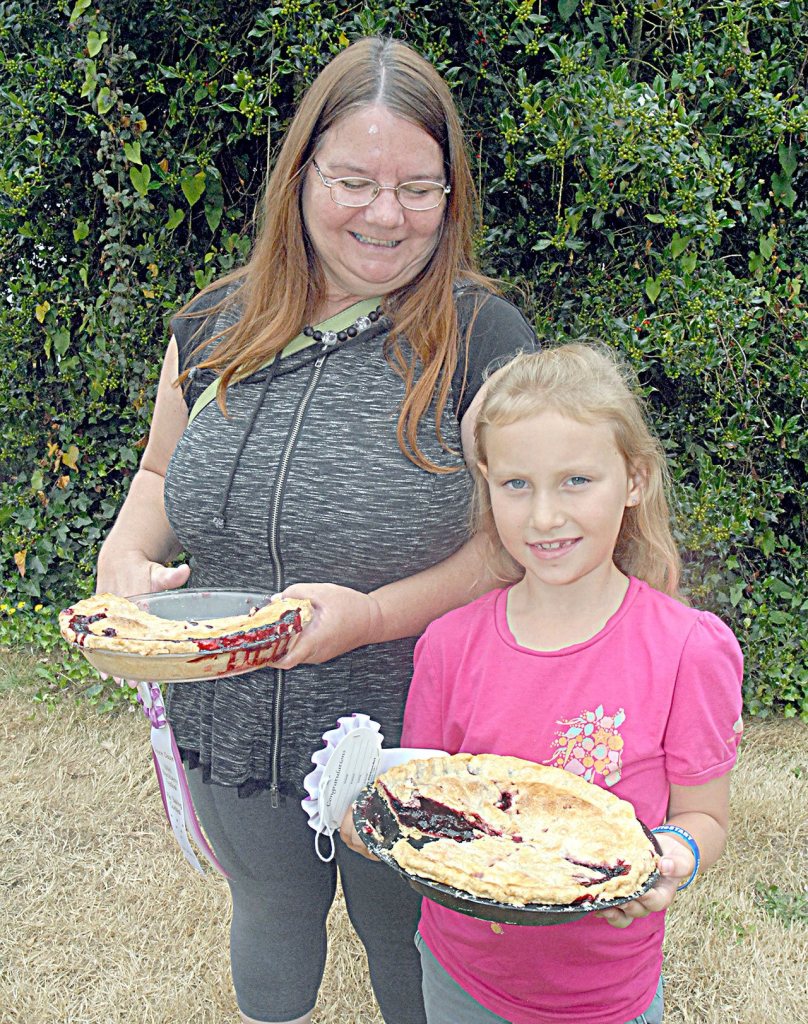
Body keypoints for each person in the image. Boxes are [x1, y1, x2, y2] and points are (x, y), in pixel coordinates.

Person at [95, 34, 537, 1024]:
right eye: (354, 180)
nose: (386, 213)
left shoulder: (482, 342)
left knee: (409, 952)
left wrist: (374, 614)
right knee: (272, 915)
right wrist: (123, 555)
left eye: (418, 188)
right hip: (233, 725)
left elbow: (520, 538)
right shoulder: (212, 326)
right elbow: (161, 470)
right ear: (300, 178)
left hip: (413, 734)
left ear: (450, 195)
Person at [341, 343, 744, 1024]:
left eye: (577, 481)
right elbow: (421, 792)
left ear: (635, 480)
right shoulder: (449, 644)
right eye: (516, 485)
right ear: (488, 485)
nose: (545, 517)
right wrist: (372, 822)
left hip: (604, 994)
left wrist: (674, 854)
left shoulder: (688, 651)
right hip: (459, 973)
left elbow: (705, 816)